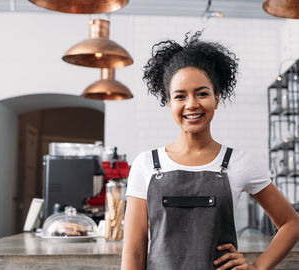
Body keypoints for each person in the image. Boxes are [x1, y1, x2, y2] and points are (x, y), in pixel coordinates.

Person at [121, 31, 299, 270]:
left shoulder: (239, 162)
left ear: (216, 98)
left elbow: (291, 223)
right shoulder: (146, 165)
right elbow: (133, 253)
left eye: (202, 93)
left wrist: (257, 267)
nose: (192, 104)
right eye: (180, 96)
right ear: (169, 102)